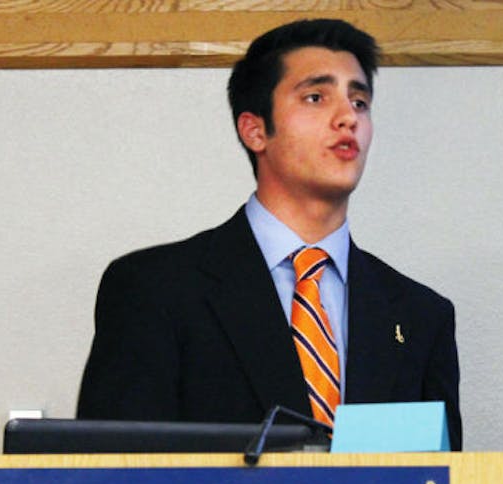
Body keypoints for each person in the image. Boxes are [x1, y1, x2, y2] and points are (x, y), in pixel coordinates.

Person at [77, 18, 462, 450]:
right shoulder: (154, 288)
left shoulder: (420, 315)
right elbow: (112, 481)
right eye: (316, 97)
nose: (346, 119)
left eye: (359, 102)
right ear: (255, 130)